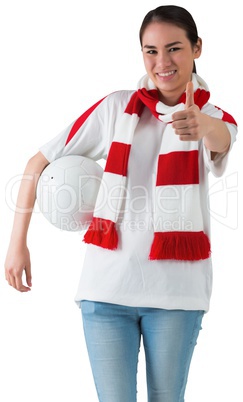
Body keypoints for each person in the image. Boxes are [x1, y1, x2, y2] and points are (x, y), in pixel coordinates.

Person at [4, 5, 237, 402]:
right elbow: (37, 162)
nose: (162, 62)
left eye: (174, 48)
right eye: (150, 50)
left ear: (198, 48)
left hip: (176, 297)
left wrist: (202, 126)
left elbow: (221, 140)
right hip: (106, 293)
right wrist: (17, 244)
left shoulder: (214, 118)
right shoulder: (116, 107)